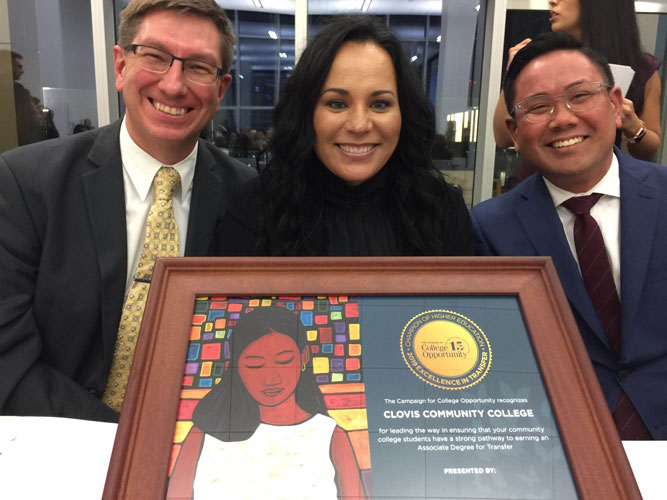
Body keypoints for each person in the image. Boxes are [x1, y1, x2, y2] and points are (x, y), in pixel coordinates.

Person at [0, 0, 255, 422]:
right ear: (120, 66)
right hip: (59, 440)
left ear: (221, 88)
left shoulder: (250, 198)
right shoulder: (26, 185)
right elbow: (7, 356)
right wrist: (126, 439)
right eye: (155, 56)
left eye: (198, 67)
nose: (174, 85)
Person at [471, 32, 667, 440]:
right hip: (559, 442)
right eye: (538, 107)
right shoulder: (489, 229)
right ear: (515, 129)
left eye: (580, 96)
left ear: (615, 105)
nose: (562, 119)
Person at [216, 16, 474, 257]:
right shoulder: (253, 211)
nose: (359, 125)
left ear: (404, 113)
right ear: (306, 112)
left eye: (380, 104)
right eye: (337, 104)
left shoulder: (443, 209)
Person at [167, 306, 365, 499]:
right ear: (235, 365)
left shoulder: (330, 436)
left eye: (284, 361)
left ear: (304, 356)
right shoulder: (204, 435)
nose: (271, 379)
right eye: (255, 365)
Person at [493, 0, 662, 163]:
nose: (552, 1)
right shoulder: (539, 63)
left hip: (607, 184)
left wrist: (634, 126)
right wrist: (513, 73)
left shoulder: (642, 69)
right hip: (541, 181)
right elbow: (503, 138)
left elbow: (649, 149)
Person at [11, 51, 43, 146]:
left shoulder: (20, 90)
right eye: (19, 66)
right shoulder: (20, 92)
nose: (22, 71)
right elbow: (28, 123)